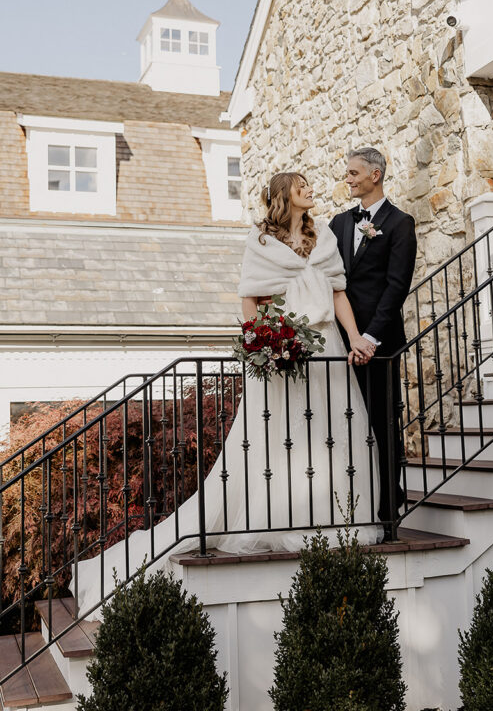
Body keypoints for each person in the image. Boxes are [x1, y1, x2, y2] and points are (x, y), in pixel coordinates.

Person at [74, 172, 382, 615]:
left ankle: (336, 513)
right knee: (278, 437)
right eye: (302, 185)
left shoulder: (325, 236)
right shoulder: (260, 242)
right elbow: (248, 300)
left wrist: (354, 338)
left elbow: (339, 295)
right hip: (285, 349)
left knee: (334, 430)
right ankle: (278, 516)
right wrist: (263, 341)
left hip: (327, 347)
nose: (310, 189)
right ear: (283, 196)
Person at [329, 147, 417, 541]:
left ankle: (387, 510)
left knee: (382, 425)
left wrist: (369, 337)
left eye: (353, 172)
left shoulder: (400, 224)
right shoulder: (337, 223)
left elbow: (397, 287)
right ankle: (352, 505)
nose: (347, 178)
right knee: (345, 423)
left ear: (375, 175)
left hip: (379, 346)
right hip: (339, 341)